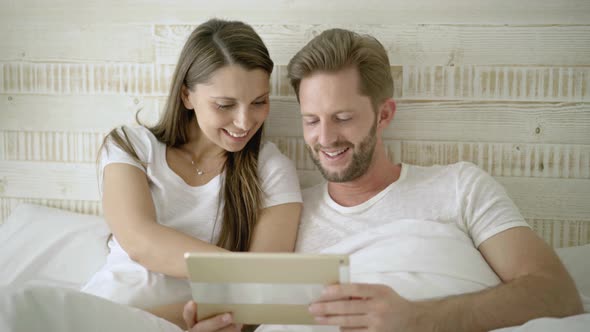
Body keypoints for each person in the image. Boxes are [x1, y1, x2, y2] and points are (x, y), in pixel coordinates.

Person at [182, 28, 584, 332]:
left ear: (384, 114)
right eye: (311, 121)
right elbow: (252, 313)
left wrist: (417, 318)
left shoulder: (459, 187)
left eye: (342, 118)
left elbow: (557, 293)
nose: (324, 139)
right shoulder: (287, 216)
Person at [80, 18, 302, 314]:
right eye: (225, 105)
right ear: (187, 95)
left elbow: (260, 294)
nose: (245, 121)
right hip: (103, 311)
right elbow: (140, 241)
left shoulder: (272, 169)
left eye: (259, 102)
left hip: (193, 321)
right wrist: (247, 273)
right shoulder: (131, 146)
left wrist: (193, 319)